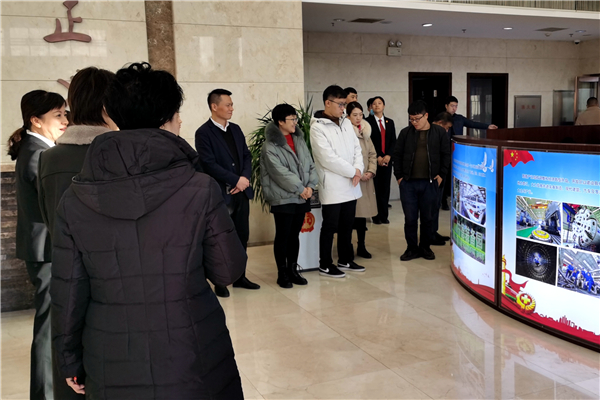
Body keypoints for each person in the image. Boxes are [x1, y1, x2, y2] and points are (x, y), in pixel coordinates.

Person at [51, 62, 246, 399]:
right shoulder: (199, 188)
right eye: (178, 114)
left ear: (114, 115)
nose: (180, 121)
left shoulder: (75, 197)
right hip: (192, 353)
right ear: (167, 118)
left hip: (110, 357)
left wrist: (67, 360)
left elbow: (68, 292)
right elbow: (227, 271)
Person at [37, 67, 115, 400]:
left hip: (67, 281)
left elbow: (49, 219)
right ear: (109, 105)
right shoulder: (118, 155)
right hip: (114, 286)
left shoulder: (50, 158)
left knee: (72, 376)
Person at [7, 90, 67, 400]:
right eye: (58, 115)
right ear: (36, 120)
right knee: (48, 326)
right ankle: (43, 394)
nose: (65, 120)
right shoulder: (37, 153)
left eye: (65, 113)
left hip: (45, 248)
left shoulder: (39, 148)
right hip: (46, 251)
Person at [195, 89, 260, 297]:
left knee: (242, 235)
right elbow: (208, 164)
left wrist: (244, 179)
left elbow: (246, 156)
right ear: (214, 107)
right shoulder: (203, 133)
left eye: (232, 105)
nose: (232, 108)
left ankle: (240, 276)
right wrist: (235, 180)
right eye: (228, 105)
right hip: (220, 195)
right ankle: (220, 281)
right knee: (219, 239)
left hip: (241, 192)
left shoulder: (236, 129)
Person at [260, 104, 318, 288]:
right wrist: (300, 188)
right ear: (280, 121)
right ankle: (282, 273)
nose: (295, 122)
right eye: (292, 119)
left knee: (294, 236)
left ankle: (293, 270)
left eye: (295, 118)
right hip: (283, 197)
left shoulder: (299, 140)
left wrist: (310, 186)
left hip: (302, 196)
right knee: (283, 236)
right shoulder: (270, 146)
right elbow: (280, 173)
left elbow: (310, 164)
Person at [310, 85, 364, 278]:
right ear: (328, 103)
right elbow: (328, 158)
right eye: (340, 104)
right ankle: (325, 264)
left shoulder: (346, 123)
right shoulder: (317, 127)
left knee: (347, 225)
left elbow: (357, 148)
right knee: (330, 226)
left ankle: (345, 259)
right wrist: (353, 171)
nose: (343, 108)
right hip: (333, 184)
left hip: (351, 183)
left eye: (344, 104)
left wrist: (358, 169)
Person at [393, 100, 450, 261]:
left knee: (428, 218)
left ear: (426, 116)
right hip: (408, 183)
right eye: (411, 119)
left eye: (417, 119)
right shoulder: (405, 133)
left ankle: (425, 247)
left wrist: (441, 175)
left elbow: (446, 155)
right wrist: (399, 177)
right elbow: (397, 155)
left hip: (430, 183)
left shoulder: (439, 132)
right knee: (410, 219)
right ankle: (411, 248)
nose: (414, 122)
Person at [347, 102, 378, 258]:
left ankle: (362, 246)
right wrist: (357, 173)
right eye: (355, 115)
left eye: (360, 114)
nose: (358, 118)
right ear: (348, 116)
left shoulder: (365, 132)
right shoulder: (345, 133)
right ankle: (347, 247)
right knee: (349, 216)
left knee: (362, 216)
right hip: (351, 180)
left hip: (366, 180)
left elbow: (372, 154)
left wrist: (370, 171)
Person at [365, 96, 396, 224]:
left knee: (385, 189)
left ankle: (384, 215)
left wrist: (389, 155)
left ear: (384, 106)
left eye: (379, 103)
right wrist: (377, 156)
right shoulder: (367, 122)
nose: (377, 105)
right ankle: (375, 216)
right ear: (371, 107)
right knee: (375, 189)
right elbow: (368, 141)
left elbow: (393, 140)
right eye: (374, 104)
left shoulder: (390, 122)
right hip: (374, 160)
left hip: (387, 161)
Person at [431, 112, 453, 245]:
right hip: (433, 176)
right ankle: (429, 234)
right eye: (447, 127)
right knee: (431, 206)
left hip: (440, 174)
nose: (447, 130)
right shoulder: (431, 133)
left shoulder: (440, 133)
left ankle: (434, 232)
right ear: (440, 123)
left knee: (436, 205)